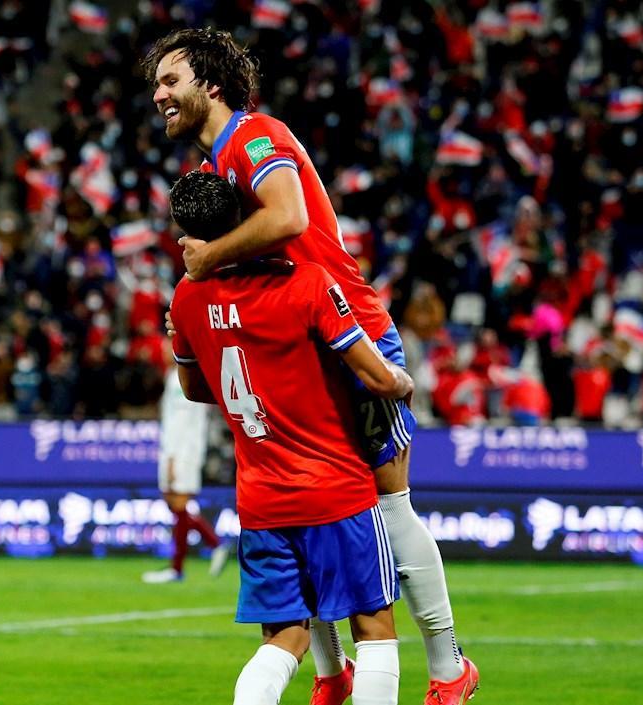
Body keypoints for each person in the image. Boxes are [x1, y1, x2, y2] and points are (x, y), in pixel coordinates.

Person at [143, 30, 477, 703]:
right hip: (295, 336)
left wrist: (207, 262)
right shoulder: (216, 165)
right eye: (156, 84)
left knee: (385, 508)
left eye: (171, 79)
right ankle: (332, 673)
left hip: (351, 329)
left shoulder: (253, 136)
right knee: (310, 506)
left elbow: (290, 216)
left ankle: (447, 668)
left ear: (211, 83)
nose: (159, 95)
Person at [168, 171, 409, 705]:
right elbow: (375, 377)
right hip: (336, 490)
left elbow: (194, 388)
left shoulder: (186, 298)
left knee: (284, 640)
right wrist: (402, 381)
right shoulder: (307, 283)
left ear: (188, 236)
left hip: (262, 502)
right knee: (374, 631)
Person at [141, 359, 230, 584]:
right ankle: (214, 544)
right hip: (178, 449)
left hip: (183, 451)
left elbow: (181, 422)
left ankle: (178, 567)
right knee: (174, 504)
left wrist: (172, 457)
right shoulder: (176, 376)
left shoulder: (183, 377)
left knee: (179, 504)